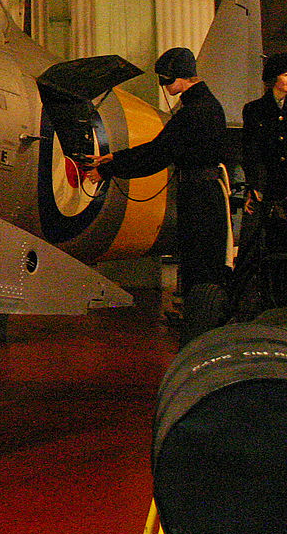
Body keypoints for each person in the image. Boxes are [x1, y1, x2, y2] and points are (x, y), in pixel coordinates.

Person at [86, 47, 230, 343]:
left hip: (199, 196)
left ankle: (199, 334)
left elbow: (158, 153)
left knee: (200, 266)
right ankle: (203, 328)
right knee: (203, 263)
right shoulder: (205, 105)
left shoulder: (194, 111)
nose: (165, 87)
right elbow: (162, 147)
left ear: (181, 78)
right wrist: (115, 159)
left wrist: (111, 168)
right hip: (205, 193)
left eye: (166, 81)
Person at [231, 52, 287, 315]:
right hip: (267, 187)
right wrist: (256, 185)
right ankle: (251, 304)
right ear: (273, 78)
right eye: (285, 73)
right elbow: (251, 150)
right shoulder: (255, 110)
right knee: (256, 246)